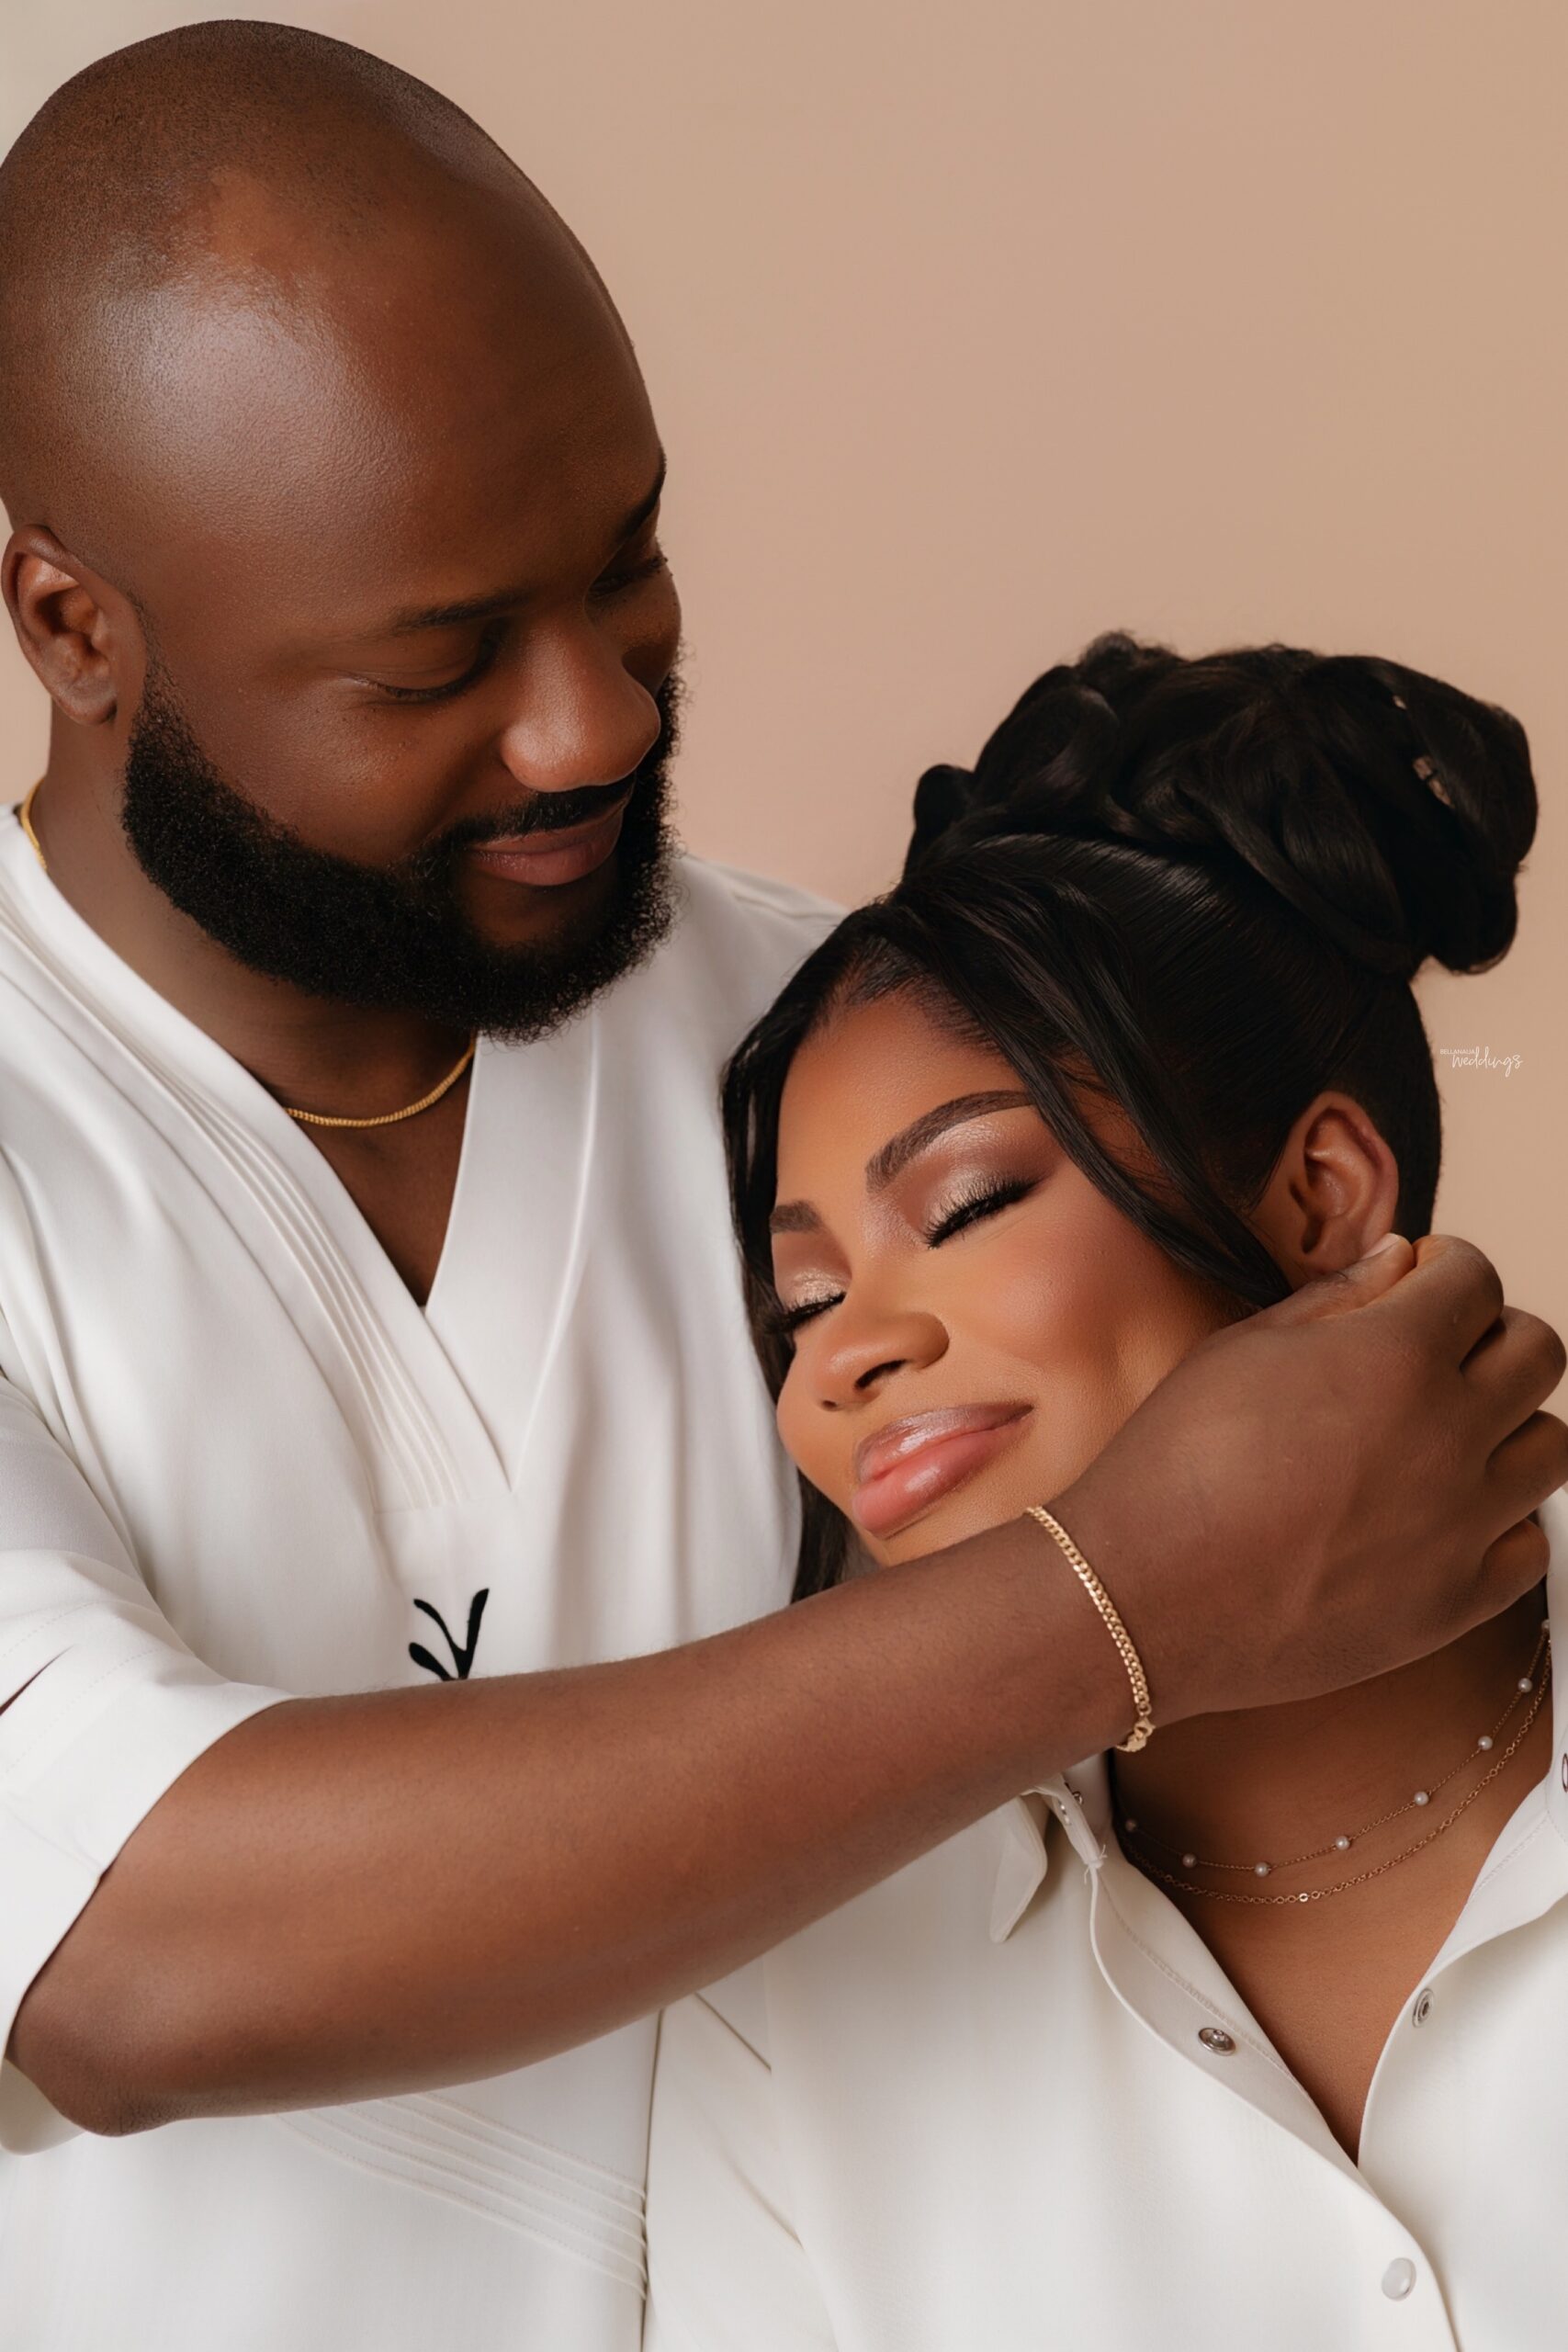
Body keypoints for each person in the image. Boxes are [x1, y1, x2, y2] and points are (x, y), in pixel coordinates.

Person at [0, 26, 1560, 2352]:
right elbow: (113, 1951)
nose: (598, 719)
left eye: (623, 563)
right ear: (73, 625)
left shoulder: (815, 1035)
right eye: (438, 661)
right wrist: (1136, 1589)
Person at [643, 635, 1568, 2352]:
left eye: (967, 1205)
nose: (843, 1356)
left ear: (1324, 1196)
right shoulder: (793, 2015)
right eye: (800, 1301)